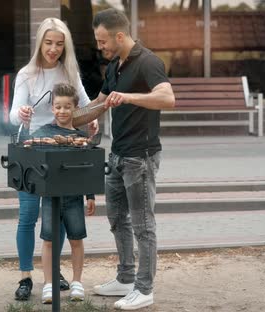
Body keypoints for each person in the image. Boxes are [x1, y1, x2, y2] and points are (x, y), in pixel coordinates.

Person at [88, 8, 175, 310]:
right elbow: (99, 103)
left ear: (120, 36)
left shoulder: (148, 62)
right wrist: (68, 116)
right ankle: (125, 278)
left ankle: (144, 288)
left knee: (143, 226)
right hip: (118, 156)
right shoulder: (115, 66)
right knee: (116, 220)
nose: (100, 47)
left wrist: (129, 98)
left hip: (141, 158)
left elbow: (167, 98)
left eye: (102, 42)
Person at [8, 17, 98, 301]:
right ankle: (25, 276)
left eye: (59, 44)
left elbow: (85, 107)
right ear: (40, 42)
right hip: (31, 150)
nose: (53, 49)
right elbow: (12, 115)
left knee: (56, 213)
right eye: (49, 43)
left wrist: (92, 123)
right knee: (28, 215)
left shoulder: (69, 72)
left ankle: (54, 269)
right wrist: (20, 114)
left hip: (62, 151)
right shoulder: (27, 74)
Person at [31, 83, 96, 304]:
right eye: (58, 106)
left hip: (74, 198)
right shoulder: (42, 134)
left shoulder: (80, 136)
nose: (62, 111)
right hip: (50, 198)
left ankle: (77, 282)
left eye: (67, 107)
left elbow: (88, 167)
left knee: (76, 239)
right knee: (48, 240)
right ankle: (48, 284)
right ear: (52, 108)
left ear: (75, 108)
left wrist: (90, 196)